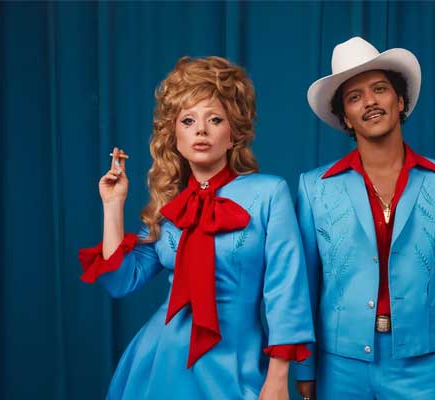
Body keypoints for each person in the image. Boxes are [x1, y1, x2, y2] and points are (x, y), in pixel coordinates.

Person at [78, 56, 314, 400]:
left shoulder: (268, 193)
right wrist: (113, 205)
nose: (201, 130)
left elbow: (287, 288)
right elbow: (121, 281)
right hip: (161, 364)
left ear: (233, 135)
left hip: (236, 365)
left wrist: (278, 377)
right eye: (188, 120)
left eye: (214, 119)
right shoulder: (169, 205)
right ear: (174, 135)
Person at [293, 37, 435, 400]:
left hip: (422, 367)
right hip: (340, 367)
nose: (369, 101)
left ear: (400, 101)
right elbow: (304, 287)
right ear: (345, 118)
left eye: (380, 89)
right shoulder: (314, 188)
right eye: (354, 97)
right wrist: (304, 366)